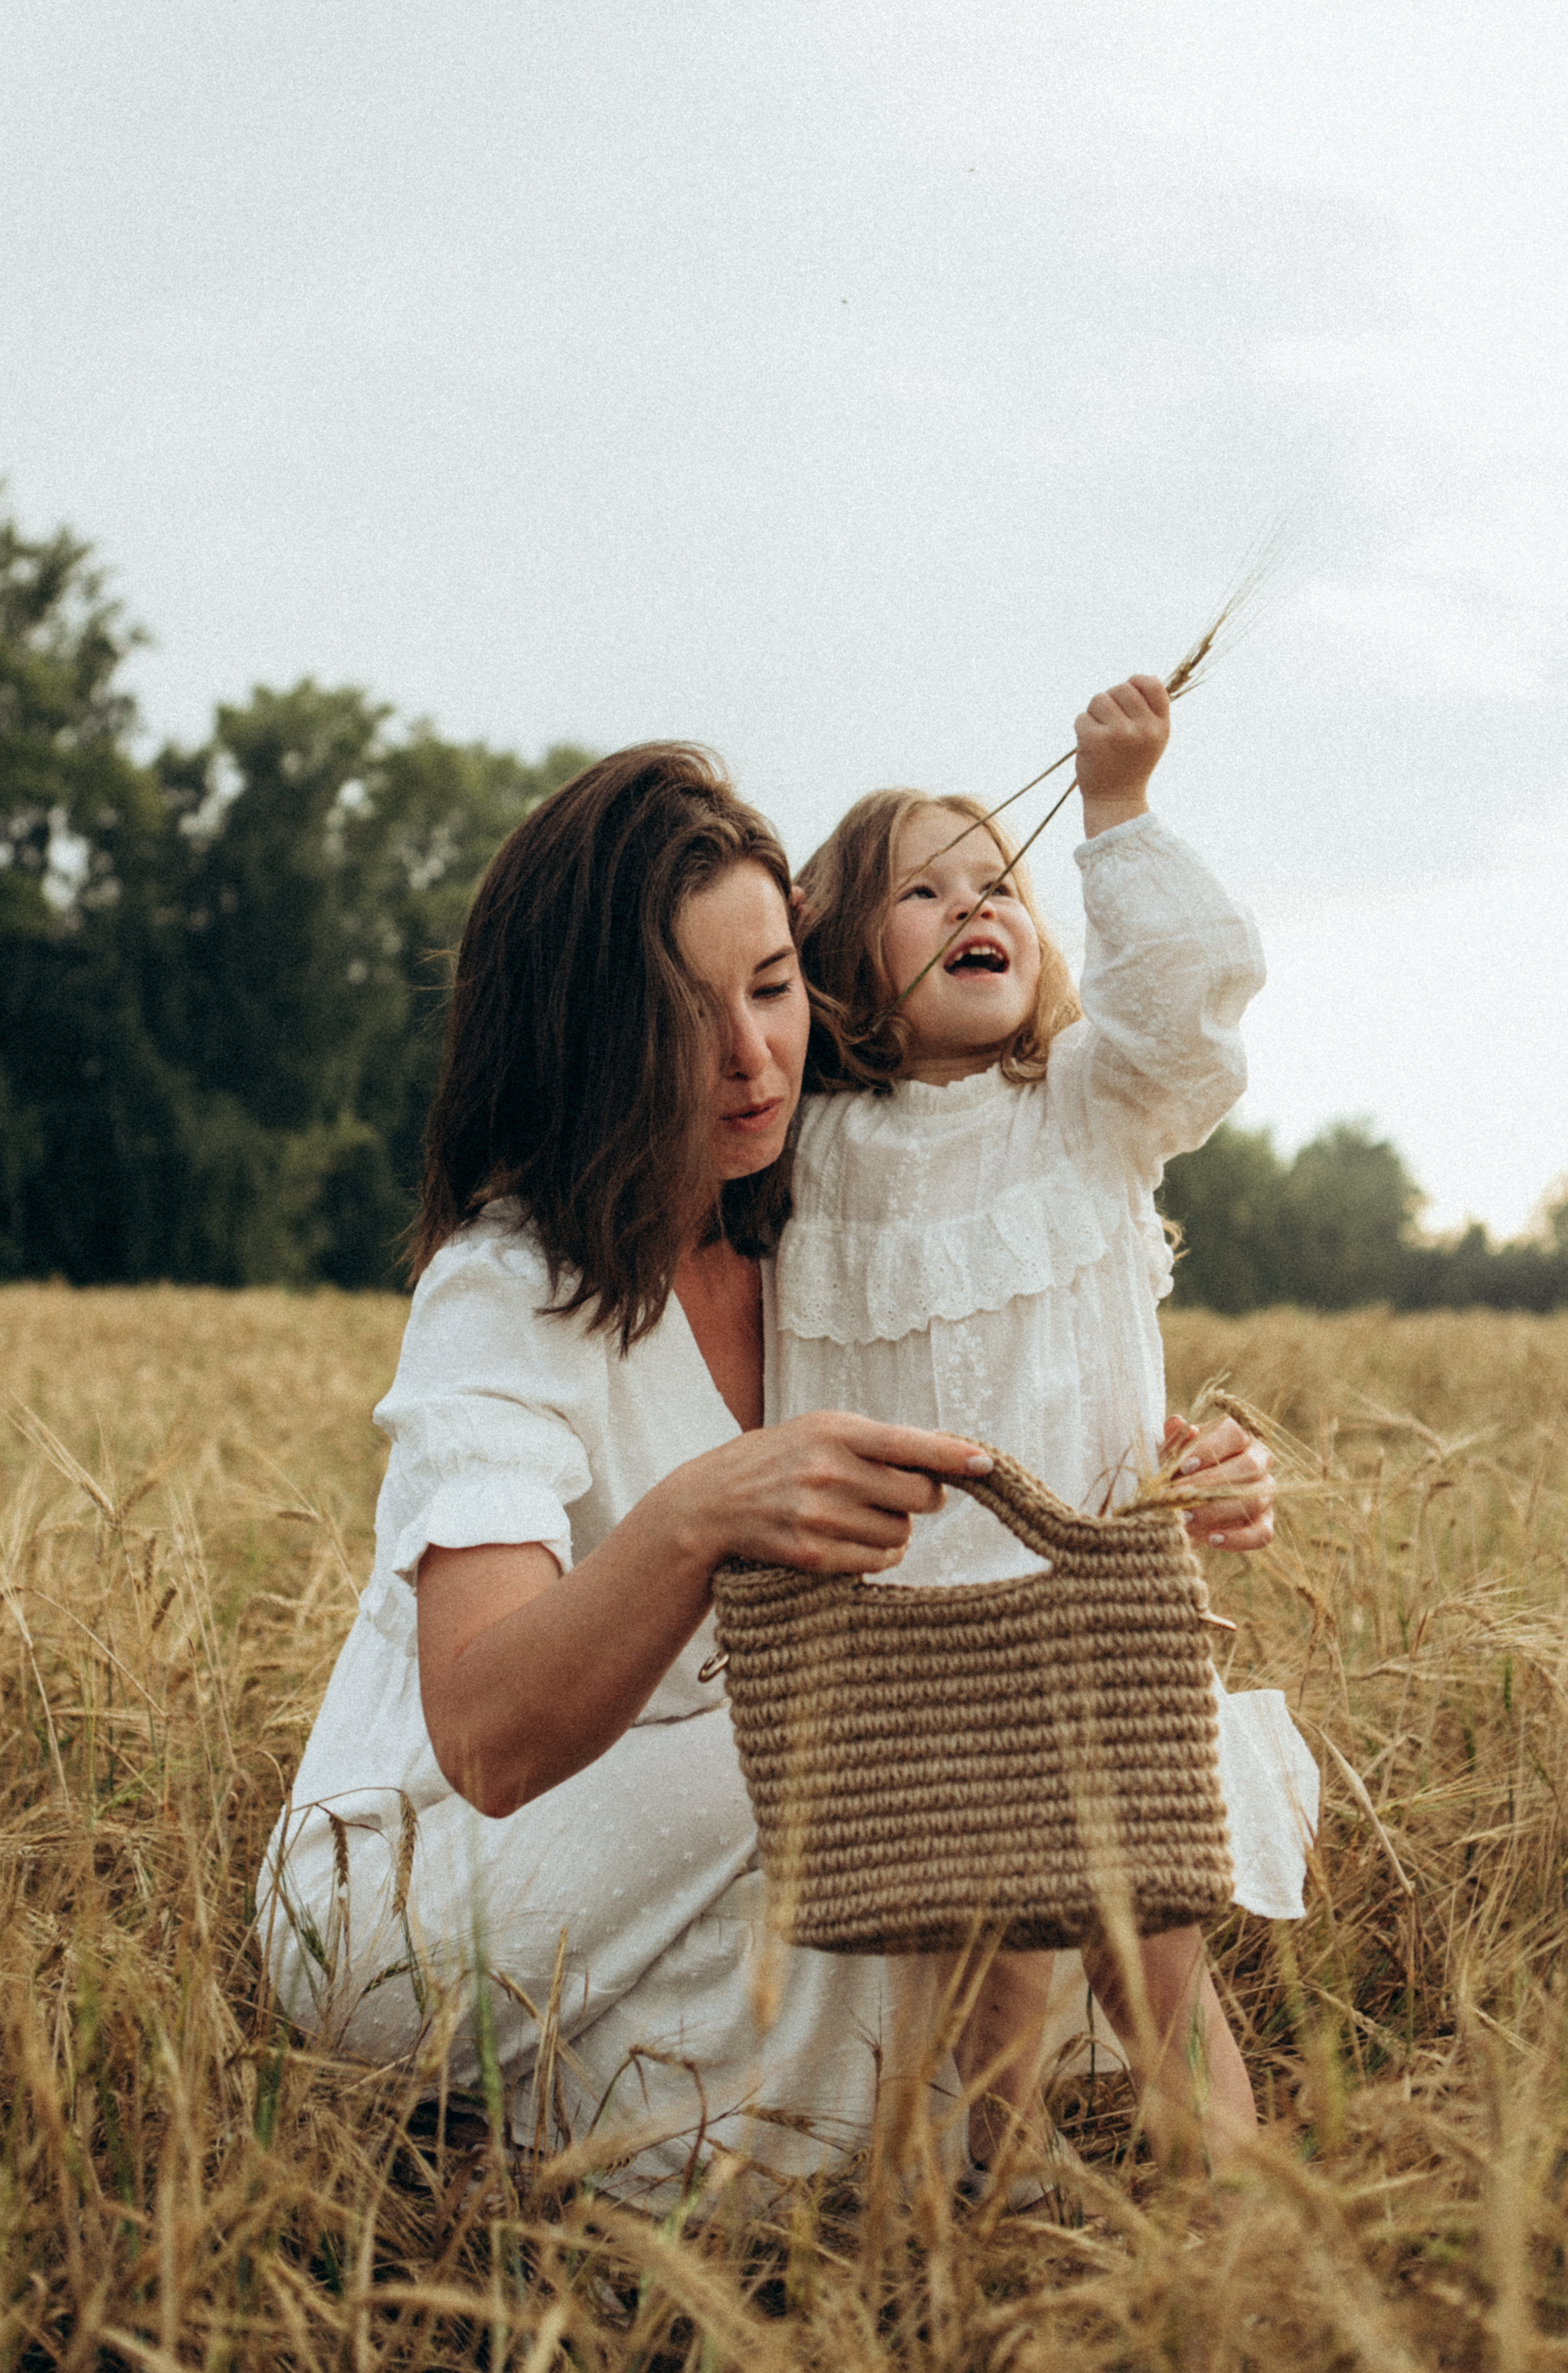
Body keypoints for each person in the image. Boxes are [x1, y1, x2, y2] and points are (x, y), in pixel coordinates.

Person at [257, 745, 996, 2204]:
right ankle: (568, 2127)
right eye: (682, 1013)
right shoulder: (505, 1287)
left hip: (706, 1844)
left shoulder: (825, 1240)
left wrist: (1169, 1478)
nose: (752, 1056)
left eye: (774, 985)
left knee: (938, 1939)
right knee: (915, 1740)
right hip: (428, 1894)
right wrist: (695, 1518)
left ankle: (558, 2142)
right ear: (581, 1032)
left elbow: (1000, 1487)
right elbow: (488, 1736)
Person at [772, 675, 1320, 2179]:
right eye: (921, 890)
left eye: (997, 881)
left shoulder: (1083, 1100)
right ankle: (1009, 2247)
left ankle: (1237, 2239)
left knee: (1156, 1961)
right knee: (981, 1997)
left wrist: (1117, 815)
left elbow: (1194, 996)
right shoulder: (806, 1151)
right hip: (892, 1633)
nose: (973, 900)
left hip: (1091, 1596)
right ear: (834, 961)